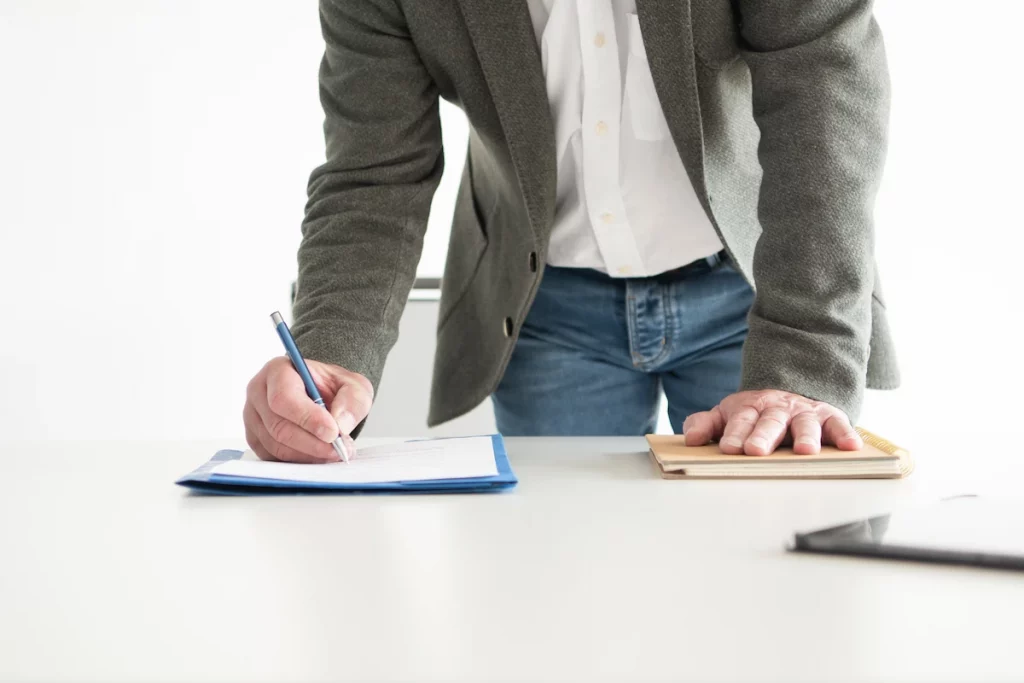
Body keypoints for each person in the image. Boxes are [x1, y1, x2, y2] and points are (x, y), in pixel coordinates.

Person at [242, 0, 899, 463]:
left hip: (756, 293)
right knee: (560, 585)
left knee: (765, 584)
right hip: (549, 308)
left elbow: (825, 92)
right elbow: (374, 170)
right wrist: (330, 352)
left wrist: (802, 359)